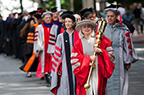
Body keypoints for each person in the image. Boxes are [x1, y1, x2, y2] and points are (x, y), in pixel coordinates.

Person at [71, 20, 115, 95]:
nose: (86, 28)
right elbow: (74, 60)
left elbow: (111, 54)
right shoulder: (78, 43)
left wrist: (101, 51)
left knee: (98, 90)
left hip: (98, 72)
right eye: (84, 27)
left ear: (92, 28)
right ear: (81, 30)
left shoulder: (99, 40)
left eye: (89, 26)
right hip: (84, 73)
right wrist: (88, 59)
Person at [104, 5, 138, 95]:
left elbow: (128, 45)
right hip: (106, 57)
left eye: (112, 16)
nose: (110, 18)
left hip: (120, 55)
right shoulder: (102, 29)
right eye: (108, 16)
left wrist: (128, 60)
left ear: (116, 17)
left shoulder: (123, 29)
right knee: (107, 81)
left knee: (120, 80)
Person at [51, 13, 79, 95]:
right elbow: (57, 54)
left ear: (73, 23)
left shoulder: (79, 35)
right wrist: (58, 67)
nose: (67, 23)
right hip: (65, 65)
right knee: (66, 83)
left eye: (69, 21)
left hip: (77, 64)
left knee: (76, 82)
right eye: (66, 21)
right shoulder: (61, 36)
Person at [34, 11, 58, 87]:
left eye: (49, 18)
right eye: (46, 18)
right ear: (43, 19)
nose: (48, 19)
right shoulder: (40, 27)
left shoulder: (55, 27)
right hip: (43, 48)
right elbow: (37, 39)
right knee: (45, 63)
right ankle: (47, 78)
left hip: (52, 48)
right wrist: (36, 50)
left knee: (52, 62)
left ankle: (52, 78)